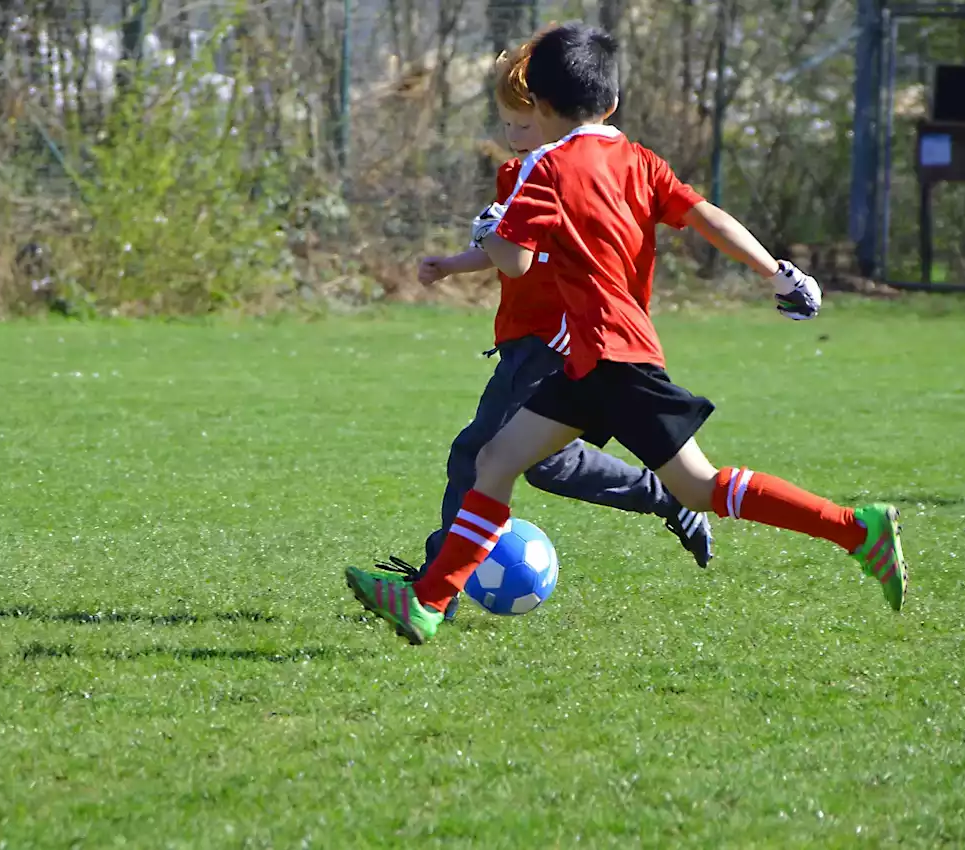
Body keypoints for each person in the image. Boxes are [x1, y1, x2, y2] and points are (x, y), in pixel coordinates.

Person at [347, 22, 907, 644]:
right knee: (496, 460)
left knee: (698, 486)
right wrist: (777, 273)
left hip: (612, 357)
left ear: (543, 104)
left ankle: (856, 529)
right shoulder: (639, 161)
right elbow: (708, 219)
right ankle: (428, 601)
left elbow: (517, 262)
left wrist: (489, 233)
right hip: (589, 357)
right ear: (610, 102)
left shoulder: (545, 168)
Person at [376, 38, 713, 622]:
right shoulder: (521, 171)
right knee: (543, 461)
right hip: (529, 337)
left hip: (552, 339)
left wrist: (490, 241)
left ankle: (438, 589)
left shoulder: (568, 169)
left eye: (524, 123)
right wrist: (456, 262)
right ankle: (670, 495)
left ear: (554, 113)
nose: (514, 135)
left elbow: (525, 256)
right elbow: (512, 249)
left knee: (477, 453)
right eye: (507, 123)